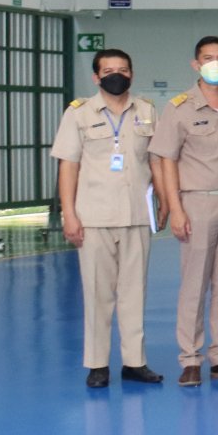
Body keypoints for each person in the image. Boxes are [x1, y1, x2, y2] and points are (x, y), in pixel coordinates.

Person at [52, 48, 164, 386]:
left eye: (123, 69)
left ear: (132, 74)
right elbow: (68, 166)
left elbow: (156, 160)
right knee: (97, 293)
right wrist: (69, 215)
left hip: (136, 215)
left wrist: (164, 201)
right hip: (94, 216)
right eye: (109, 70)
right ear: (96, 77)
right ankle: (97, 364)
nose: (117, 75)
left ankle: (135, 362)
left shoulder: (146, 110)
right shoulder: (79, 113)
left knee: (134, 292)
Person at [152, 35, 218, 385]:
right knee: (194, 285)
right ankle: (190, 358)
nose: (215, 63)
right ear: (195, 64)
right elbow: (167, 159)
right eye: (208, 58)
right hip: (196, 202)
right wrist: (175, 208)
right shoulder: (179, 108)